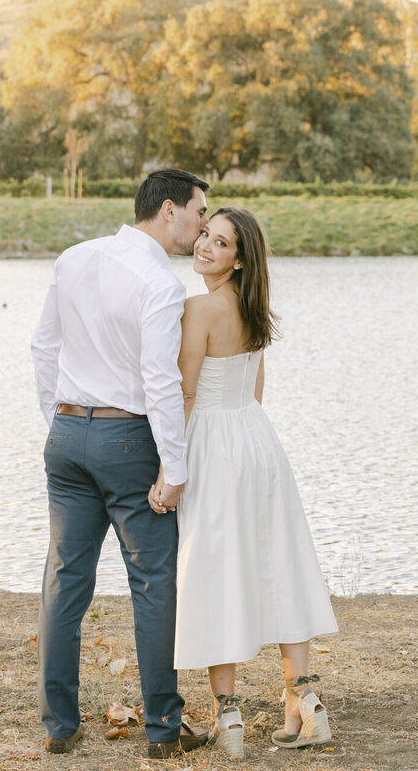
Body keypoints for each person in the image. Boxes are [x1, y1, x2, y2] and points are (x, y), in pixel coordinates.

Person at [30, 168, 212, 759]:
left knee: (65, 579)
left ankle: (60, 723)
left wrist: (57, 418)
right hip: (130, 440)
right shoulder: (159, 283)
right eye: (197, 212)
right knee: (154, 583)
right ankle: (163, 730)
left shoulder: (74, 257)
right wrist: (175, 470)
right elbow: (160, 382)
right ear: (167, 210)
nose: (202, 225)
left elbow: (43, 346)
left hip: (68, 435)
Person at [151, 206, 338, 759]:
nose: (205, 245)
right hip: (258, 441)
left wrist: (170, 471)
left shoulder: (198, 308)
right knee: (280, 562)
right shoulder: (257, 309)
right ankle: (304, 701)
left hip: (214, 442)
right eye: (204, 234)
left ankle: (227, 714)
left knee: (215, 571)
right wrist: (244, 439)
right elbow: (256, 387)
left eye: (221, 242)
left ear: (238, 259)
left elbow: (184, 394)